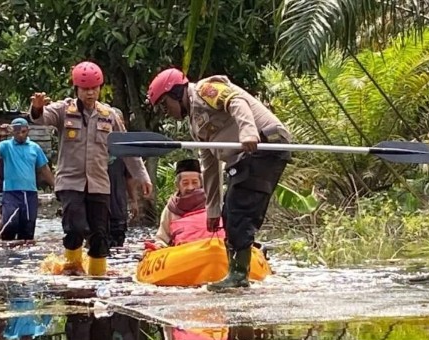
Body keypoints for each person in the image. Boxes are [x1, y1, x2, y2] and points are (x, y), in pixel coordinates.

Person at [147, 68, 292, 291]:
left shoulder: (205, 89)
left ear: (176, 93)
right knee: (229, 212)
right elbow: (210, 166)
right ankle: (236, 272)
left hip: (265, 144)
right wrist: (212, 209)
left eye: (165, 105)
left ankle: (238, 276)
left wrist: (248, 132)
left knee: (239, 210)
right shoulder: (196, 127)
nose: (166, 112)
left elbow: (237, 102)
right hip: (245, 159)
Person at [29, 61, 153, 276]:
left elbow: (126, 148)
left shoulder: (109, 115)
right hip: (70, 182)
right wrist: (37, 107)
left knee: (99, 235)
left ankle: (97, 278)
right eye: (86, 89)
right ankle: (72, 272)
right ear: (77, 89)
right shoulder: (63, 110)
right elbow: (40, 118)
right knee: (75, 228)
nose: (90, 93)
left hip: (99, 184)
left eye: (94, 88)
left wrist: (142, 176)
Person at [0, 117, 55, 241]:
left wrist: (56, 186)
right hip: (11, 193)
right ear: (12, 132)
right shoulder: (5, 146)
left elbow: (44, 169)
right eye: (17, 132)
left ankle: (24, 257)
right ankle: (6, 255)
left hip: (30, 193)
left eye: (23, 132)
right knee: (10, 224)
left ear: (28, 130)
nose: (20, 135)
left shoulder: (35, 148)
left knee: (28, 228)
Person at [154, 158, 225, 248]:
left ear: (201, 183)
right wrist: (159, 245)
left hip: (214, 250)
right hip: (184, 254)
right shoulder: (171, 209)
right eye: (185, 183)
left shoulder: (213, 204)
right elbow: (161, 238)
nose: (190, 187)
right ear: (178, 185)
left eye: (195, 182)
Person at [108, 108, 139, 248]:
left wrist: (134, 201)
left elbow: (129, 177)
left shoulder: (125, 149)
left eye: (119, 121)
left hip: (118, 202)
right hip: (96, 202)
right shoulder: (93, 144)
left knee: (118, 240)